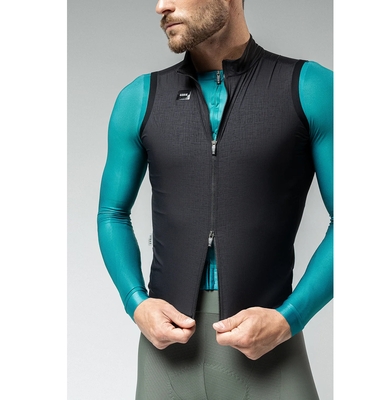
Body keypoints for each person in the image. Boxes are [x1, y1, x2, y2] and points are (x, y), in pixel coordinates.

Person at [97, 0, 333, 398]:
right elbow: (112, 213)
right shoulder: (139, 97)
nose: (160, 6)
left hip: (270, 350)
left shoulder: (310, 88)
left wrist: (288, 319)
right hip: (166, 356)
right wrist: (136, 303)